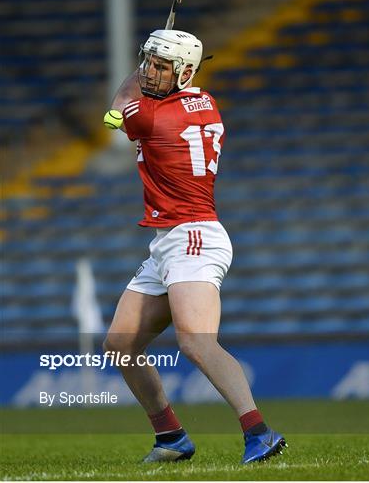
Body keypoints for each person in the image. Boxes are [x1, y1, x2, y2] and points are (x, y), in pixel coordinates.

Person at [103, 29, 286, 464]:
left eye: (160, 66)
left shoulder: (148, 116)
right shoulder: (205, 103)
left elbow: (113, 115)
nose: (150, 72)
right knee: (120, 343)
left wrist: (132, 75)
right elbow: (156, 93)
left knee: (197, 341)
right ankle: (170, 437)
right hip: (169, 239)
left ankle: (259, 432)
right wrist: (158, 62)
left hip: (194, 236)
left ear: (184, 71)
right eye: (147, 62)